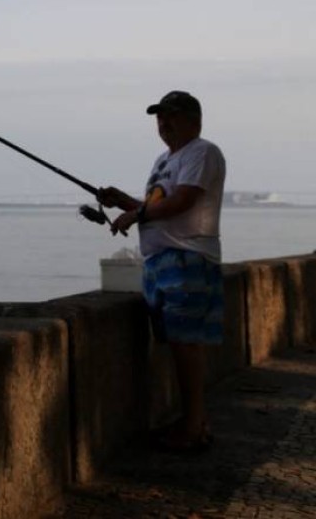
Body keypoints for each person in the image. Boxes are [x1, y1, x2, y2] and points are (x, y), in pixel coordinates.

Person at [97, 90, 226, 452]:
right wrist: (124, 201)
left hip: (186, 257)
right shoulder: (163, 160)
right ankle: (193, 421)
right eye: (159, 117)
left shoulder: (202, 152)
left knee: (186, 345)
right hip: (160, 261)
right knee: (176, 343)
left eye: (171, 116)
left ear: (194, 119)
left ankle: (194, 426)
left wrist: (134, 214)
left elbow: (184, 201)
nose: (163, 123)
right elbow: (159, 204)